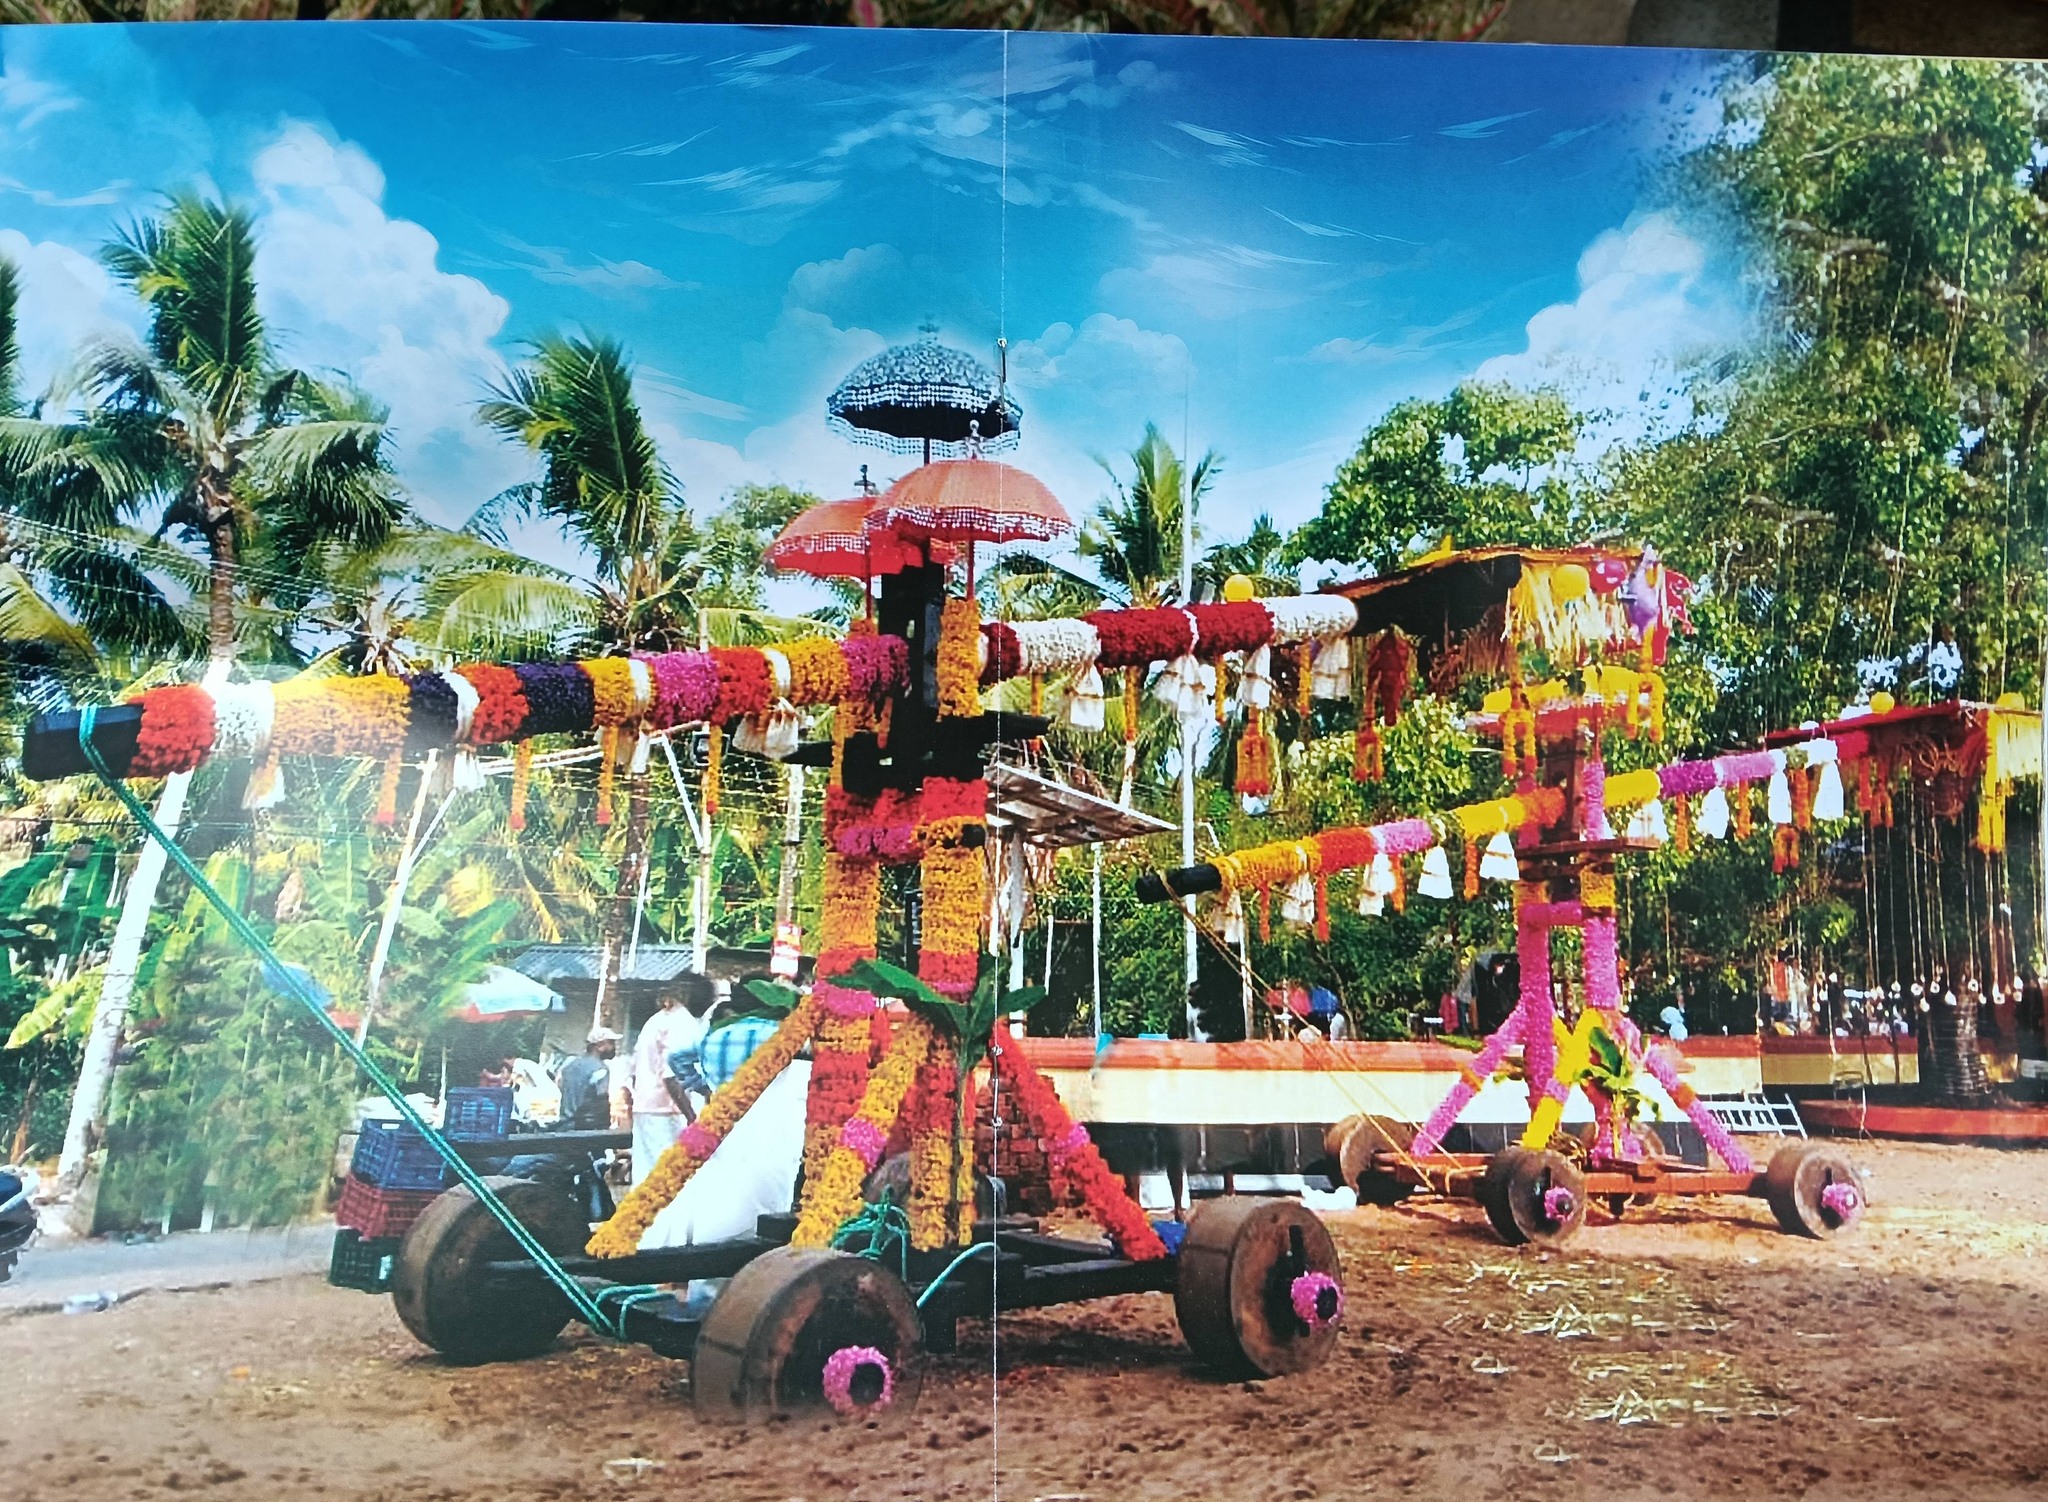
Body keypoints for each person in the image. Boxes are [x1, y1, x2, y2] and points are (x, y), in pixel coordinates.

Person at [616, 985, 708, 1190]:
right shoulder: (681, 1022)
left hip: (646, 1107)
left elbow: (633, 1070)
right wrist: (692, 1117)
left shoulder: (654, 1021)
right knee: (670, 1179)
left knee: (647, 1176)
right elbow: (671, 1076)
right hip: (669, 1110)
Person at [557, 1027, 621, 1132]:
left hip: (564, 1126)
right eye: (611, 1043)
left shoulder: (570, 1064)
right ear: (599, 1046)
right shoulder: (600, 1069)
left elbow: (561, 1085)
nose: (614, 1047)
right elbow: (601, 1102)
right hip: (585, 1128)